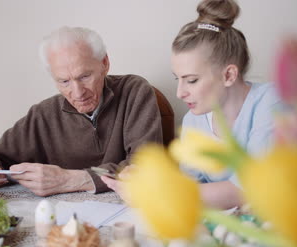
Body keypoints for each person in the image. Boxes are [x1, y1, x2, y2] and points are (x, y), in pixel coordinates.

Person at [103, 0, 284, 209]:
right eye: (177, 79)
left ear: (229, 75)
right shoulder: (194, 120)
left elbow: (249, 189)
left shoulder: (272, 103)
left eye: (191, 80)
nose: (180, 93)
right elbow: (191, 187)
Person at [0, 26, 163, 196]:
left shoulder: (134, 91)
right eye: (64, 81)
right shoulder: (43, 114)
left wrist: (71, 179)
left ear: (104, 63)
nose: (77, 93)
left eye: (84, 76)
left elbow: (145, 167)